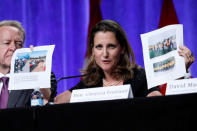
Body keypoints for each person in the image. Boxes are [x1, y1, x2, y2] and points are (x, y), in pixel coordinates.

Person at [54, 20, 195, 104]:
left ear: (121, 49)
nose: (104, 54)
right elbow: (56, 102)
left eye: (111, 46)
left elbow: (160, 105)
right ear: (92, 50)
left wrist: (179, 74)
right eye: (99, 47)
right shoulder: (91, 81)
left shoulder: (139, 77)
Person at [0, 20, 57, 109]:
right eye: (7, 43)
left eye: (19, 44)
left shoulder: (40, 74)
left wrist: (36, 72)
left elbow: (46, 107)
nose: (13, 48)